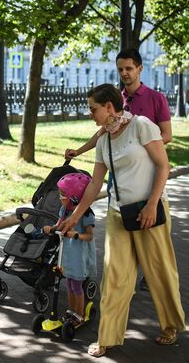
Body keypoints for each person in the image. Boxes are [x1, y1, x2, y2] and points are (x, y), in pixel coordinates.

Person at [58, 84, 185, 357]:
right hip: (118, 214)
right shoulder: (104, 140)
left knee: (160, 274)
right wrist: (74, 217)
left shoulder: (142, 126)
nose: (90, 113)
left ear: (109, 107)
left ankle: (171, 326)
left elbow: (164, 166)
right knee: (115, 278)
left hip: (150, 212)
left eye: (93, 108)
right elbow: (94, 185)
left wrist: (152, 205)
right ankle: (108, 336)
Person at [65, 48, 172, 291]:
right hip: (119, 173)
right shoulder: (116, 99)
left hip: (149, 173)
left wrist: (139, 147)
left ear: (139, 69)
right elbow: (103, 134)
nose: (124, 73)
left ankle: (148, 270)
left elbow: (166, 136)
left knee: (152, 231)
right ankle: (126, 273)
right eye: (120, 69)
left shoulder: (156, 99)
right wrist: (80, 151)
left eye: (129, 68)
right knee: (123, 222)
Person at [43, 173, 95, 326]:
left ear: (74, 197)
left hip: (79, 256)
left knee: (77, 286)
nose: (60, 198)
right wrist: (51, 228)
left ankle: (79, 315)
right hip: (67, 255)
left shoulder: (86, 214)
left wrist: (76, 235)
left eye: (63, 195)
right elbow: (59, 225)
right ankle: (71, 312)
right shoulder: (64, 211)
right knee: (69, 285)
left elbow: (90, 236)